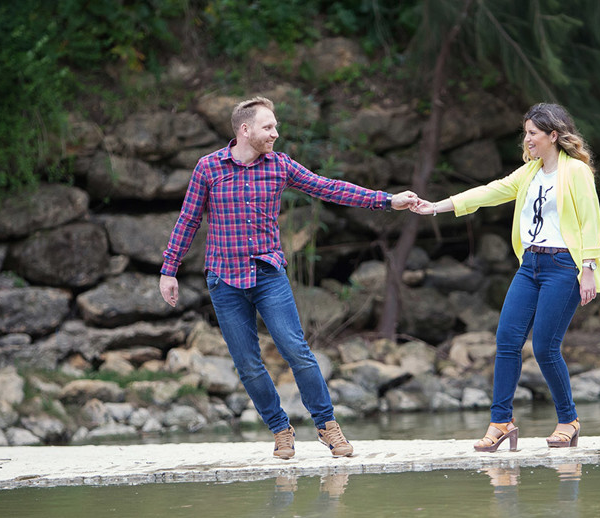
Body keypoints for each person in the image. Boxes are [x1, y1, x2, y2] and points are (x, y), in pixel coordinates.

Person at [159, 96, 419, 460]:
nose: (276, 133)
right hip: (225, 280)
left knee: (297, 350)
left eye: (275, 126)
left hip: (268, 275)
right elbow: (187, 220)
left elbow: (328, 187)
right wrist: (169, 270)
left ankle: (327, 427)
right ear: (245, 130)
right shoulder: (209, 168)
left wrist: (386, 200)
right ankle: (281, 430)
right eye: (268, 127)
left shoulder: (279, 166)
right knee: (248, 364)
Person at [411, 102, 600, 451]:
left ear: (553, 135)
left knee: (546, 347)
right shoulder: (529, 172)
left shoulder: (576, 171)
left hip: (564, 267)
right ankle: (501, 422)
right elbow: (489, 192)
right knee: (507, 341)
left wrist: (589, 269)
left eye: (533, 133)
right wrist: (436, 206)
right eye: (526, 132)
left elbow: (591, 220)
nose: (527, 139)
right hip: (529, 265)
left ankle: (569, 420)